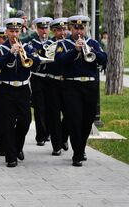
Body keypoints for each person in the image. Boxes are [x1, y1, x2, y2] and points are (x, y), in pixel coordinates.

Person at [55, 15, 107, 166]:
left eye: (81, 28)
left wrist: (93, 52)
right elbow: (59, 61)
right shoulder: (63, 44)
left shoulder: (93, 43)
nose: (79, 31)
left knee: (87, 120)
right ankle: (77, 155)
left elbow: (104, 58)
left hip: (90, 86)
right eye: (76, 28)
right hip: (71, 86)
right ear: (70, 28)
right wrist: (75, 51)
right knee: (74, 120)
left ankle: (81, 148)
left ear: (85, 28)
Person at [0, 17, 41, 167]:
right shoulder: (0, 49)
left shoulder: (28, 47)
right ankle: (11, 157)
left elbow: (36, 63)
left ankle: (17, 146)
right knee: (8, 123)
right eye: (11, 31)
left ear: (20, 31)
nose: (14, 34)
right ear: (6, 32)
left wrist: (27, 55)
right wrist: (11, 53)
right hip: (6, 89)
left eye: (16, 31)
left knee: (25, 122)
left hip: (24, 88)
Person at [43, 17, 70, 156]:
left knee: (70, 113)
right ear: (54, 31)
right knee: (53, 115)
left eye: (64, 29)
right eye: (59, 30)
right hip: (52, 82)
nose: (62, 32)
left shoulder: (71, 43)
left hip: (67, 83)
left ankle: (64, 137)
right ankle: (56, 145)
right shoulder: (49, 44)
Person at [28, 17, 53, 146]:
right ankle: (40, 135)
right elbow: (33, 58)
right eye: (41, 28)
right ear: (37, 29)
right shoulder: (32, 43)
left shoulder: (53, 42)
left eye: (46, 28)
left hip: (50, 78)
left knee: (50, 106)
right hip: (37, 77)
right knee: (39, 107)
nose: (44, 30)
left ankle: (48, 132)